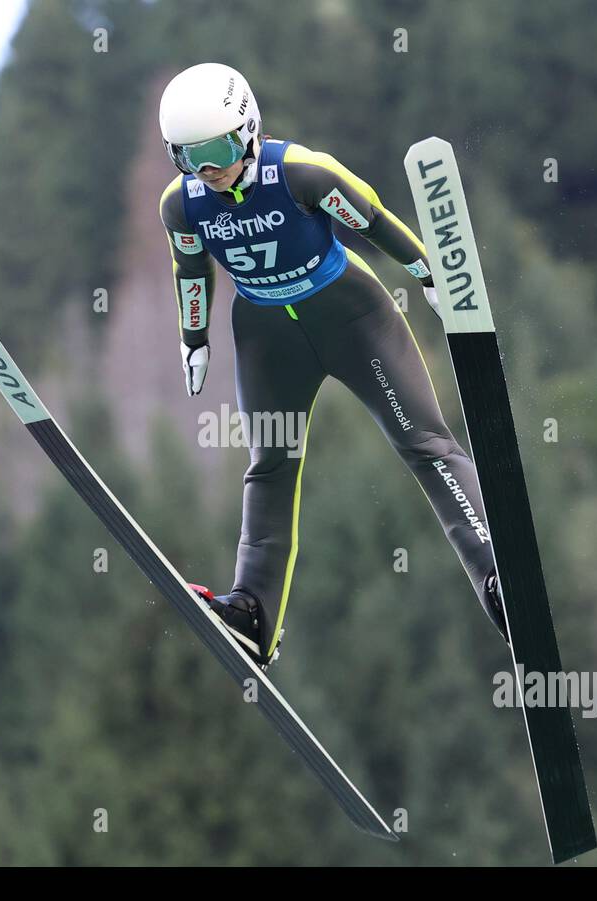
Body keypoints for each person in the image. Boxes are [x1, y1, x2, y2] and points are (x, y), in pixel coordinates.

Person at [157, 62, 506, 670]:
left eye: (213, 150)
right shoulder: (181, 205)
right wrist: (194, 338)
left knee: (424, 443)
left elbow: (370, 220)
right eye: (186, 157)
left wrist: (428, 271)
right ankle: (252, 616)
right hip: (266, 335)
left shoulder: (299, 174)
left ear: (245, 131)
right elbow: (190, 269)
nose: (205, 170)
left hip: (350, 317)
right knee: (269, 466)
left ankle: (499, 575)